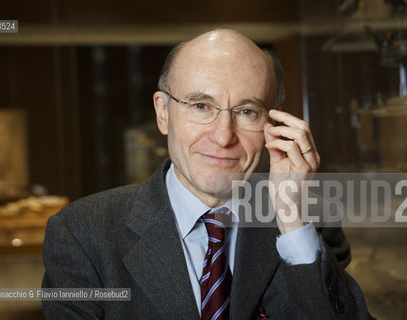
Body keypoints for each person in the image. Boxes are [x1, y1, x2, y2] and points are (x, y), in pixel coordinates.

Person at [42, 29, 372, 319]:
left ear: (273, 125)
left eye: (247, 111)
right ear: (163, 113)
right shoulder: (81, 234)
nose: (223, 136)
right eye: (201, 106)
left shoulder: (308, 221)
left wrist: (292, 222)